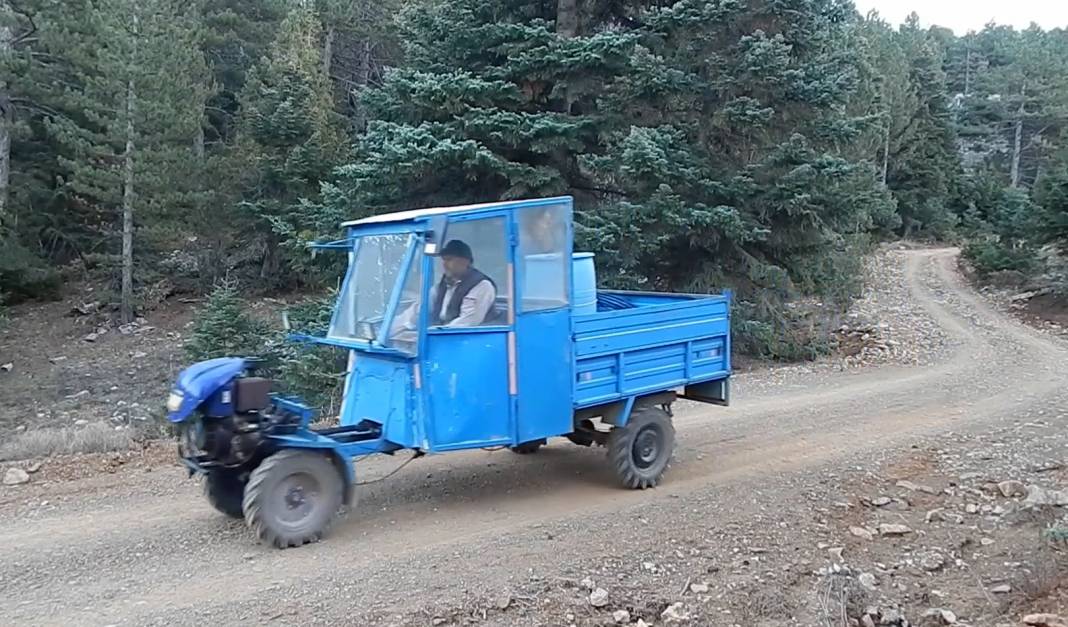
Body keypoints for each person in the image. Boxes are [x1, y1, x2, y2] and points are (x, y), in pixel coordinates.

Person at [390, 239, 497, 336]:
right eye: (443, 260)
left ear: (465, 261)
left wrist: (429, 335)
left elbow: (466, 323)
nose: (444, 264)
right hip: (443, 337)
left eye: (449, 260)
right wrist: (388, 330)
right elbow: (417, 311)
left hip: (473, 343)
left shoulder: (481, 286)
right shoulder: (442, 286)